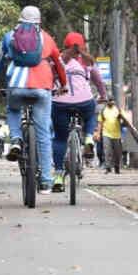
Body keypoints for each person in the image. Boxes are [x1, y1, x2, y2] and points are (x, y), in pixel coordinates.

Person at [0, 6, 68, 193]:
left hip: (16, 86)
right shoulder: (47, 38)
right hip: (42, 88)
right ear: (39, 21)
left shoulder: (10, 36)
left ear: (20, 19)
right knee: (44, 135)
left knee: (13, 109)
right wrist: (63, 84)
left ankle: (16, 139)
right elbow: (59, 64)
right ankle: (46, 181)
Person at [50, 32, 107, 192]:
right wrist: (104, 96)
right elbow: (99, 82)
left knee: (60, 139)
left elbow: (48, 79)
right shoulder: (88, 61)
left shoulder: (57, 60)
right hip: (84, 101)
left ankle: (58, 176)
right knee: (90, 115)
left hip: (59, 103)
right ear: (82, 46)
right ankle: (89, 138)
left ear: (64, 45)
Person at [96, 97, 126, 174]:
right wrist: (98, 134)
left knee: (117, 152)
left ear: (114, 102)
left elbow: (124, 120)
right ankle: (108, 167)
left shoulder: (118, 110)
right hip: (106, 133)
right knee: (107, 151)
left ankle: (117, 167)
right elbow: (100, 123)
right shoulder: (103, 111)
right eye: (109, 101)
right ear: (107, 102)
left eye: (112, 101)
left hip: (117, 134)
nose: (111, 102)